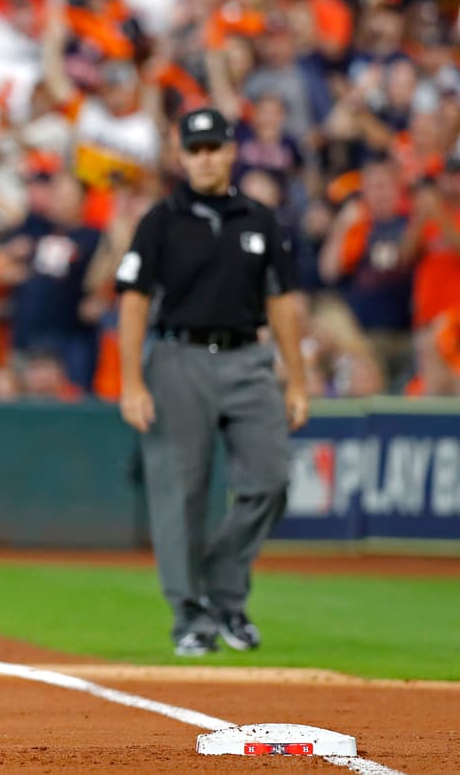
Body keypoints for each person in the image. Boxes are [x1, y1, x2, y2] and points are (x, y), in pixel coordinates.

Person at [115, 106, 309, 658]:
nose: (204, 159)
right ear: (182, 156)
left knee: (271, 480)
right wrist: (132, 381)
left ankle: (223, 589)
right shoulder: (161, 219)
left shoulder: (261, 218)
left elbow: (281, 303)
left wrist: (296, 380)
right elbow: (133, 302)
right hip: (178, 357)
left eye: (213, 148)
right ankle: (190, 615)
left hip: (249, 358)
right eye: (194, 150)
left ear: (231, 151)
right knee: (182, 494)